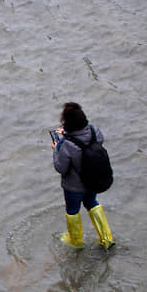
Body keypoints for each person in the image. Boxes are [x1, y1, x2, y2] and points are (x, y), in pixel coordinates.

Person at [52, 102, 114, 248]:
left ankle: (76, 241)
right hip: (93, 181)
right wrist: (67, 134)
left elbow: (60, 167)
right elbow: (85, 139)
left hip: (74, 188)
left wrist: (56, 148)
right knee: (92, 203)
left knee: (72, 211)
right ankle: (106, 238)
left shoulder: (66, 144)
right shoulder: (95, 131)